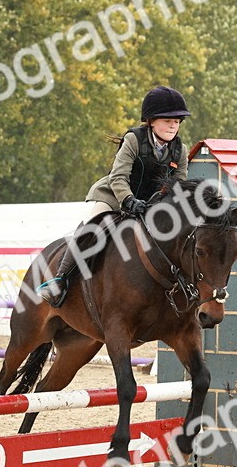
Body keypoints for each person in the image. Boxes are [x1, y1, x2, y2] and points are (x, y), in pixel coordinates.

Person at [37, 85, 191, 307]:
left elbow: (178, 186)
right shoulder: (134, 140)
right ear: (151, 120)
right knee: (91, 229)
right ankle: (59, 281)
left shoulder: (180, 150)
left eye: (177, 120)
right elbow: (118, 177)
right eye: (167, 119)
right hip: (114, 195)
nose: (173, 124)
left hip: (149, 204)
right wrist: (128, 201)